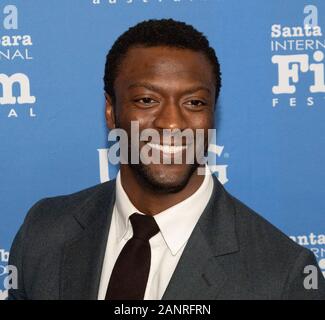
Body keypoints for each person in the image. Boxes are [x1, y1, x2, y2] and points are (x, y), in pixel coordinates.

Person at [8, 19, 325, 300]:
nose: (172, 123)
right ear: (111, 111)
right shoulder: (43, 233)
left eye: (194, 102)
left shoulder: (283, 275)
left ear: (212, 113)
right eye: (147, 100)